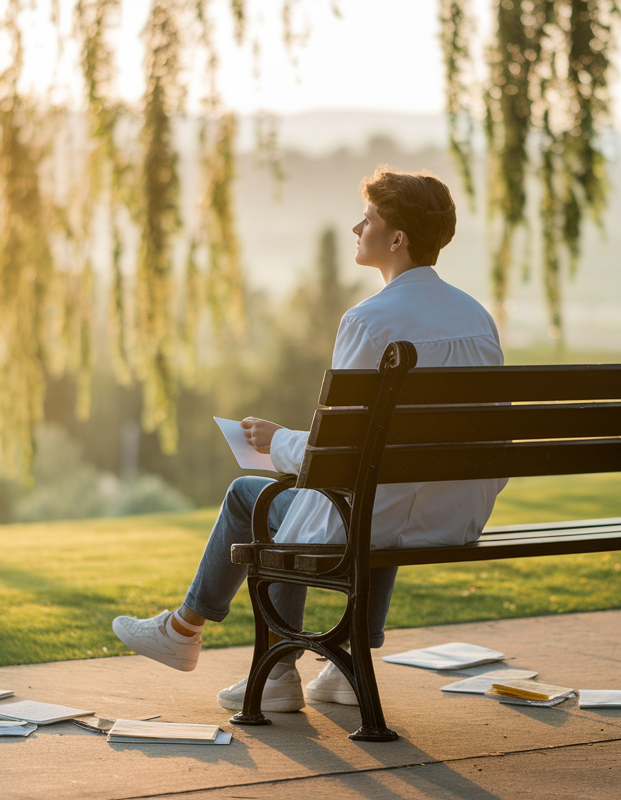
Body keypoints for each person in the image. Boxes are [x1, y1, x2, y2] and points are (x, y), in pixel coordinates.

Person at [112, 166, 507, 712]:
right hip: (454, 517)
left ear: (397, 239)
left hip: (380, 513)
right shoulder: (476, 317)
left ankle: (217, 646)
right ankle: (345, 670)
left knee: (250, 496)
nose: (356, 228)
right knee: (380, 492)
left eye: (368, 219)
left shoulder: (369, 321)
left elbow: (336, 457)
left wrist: (277, 441)